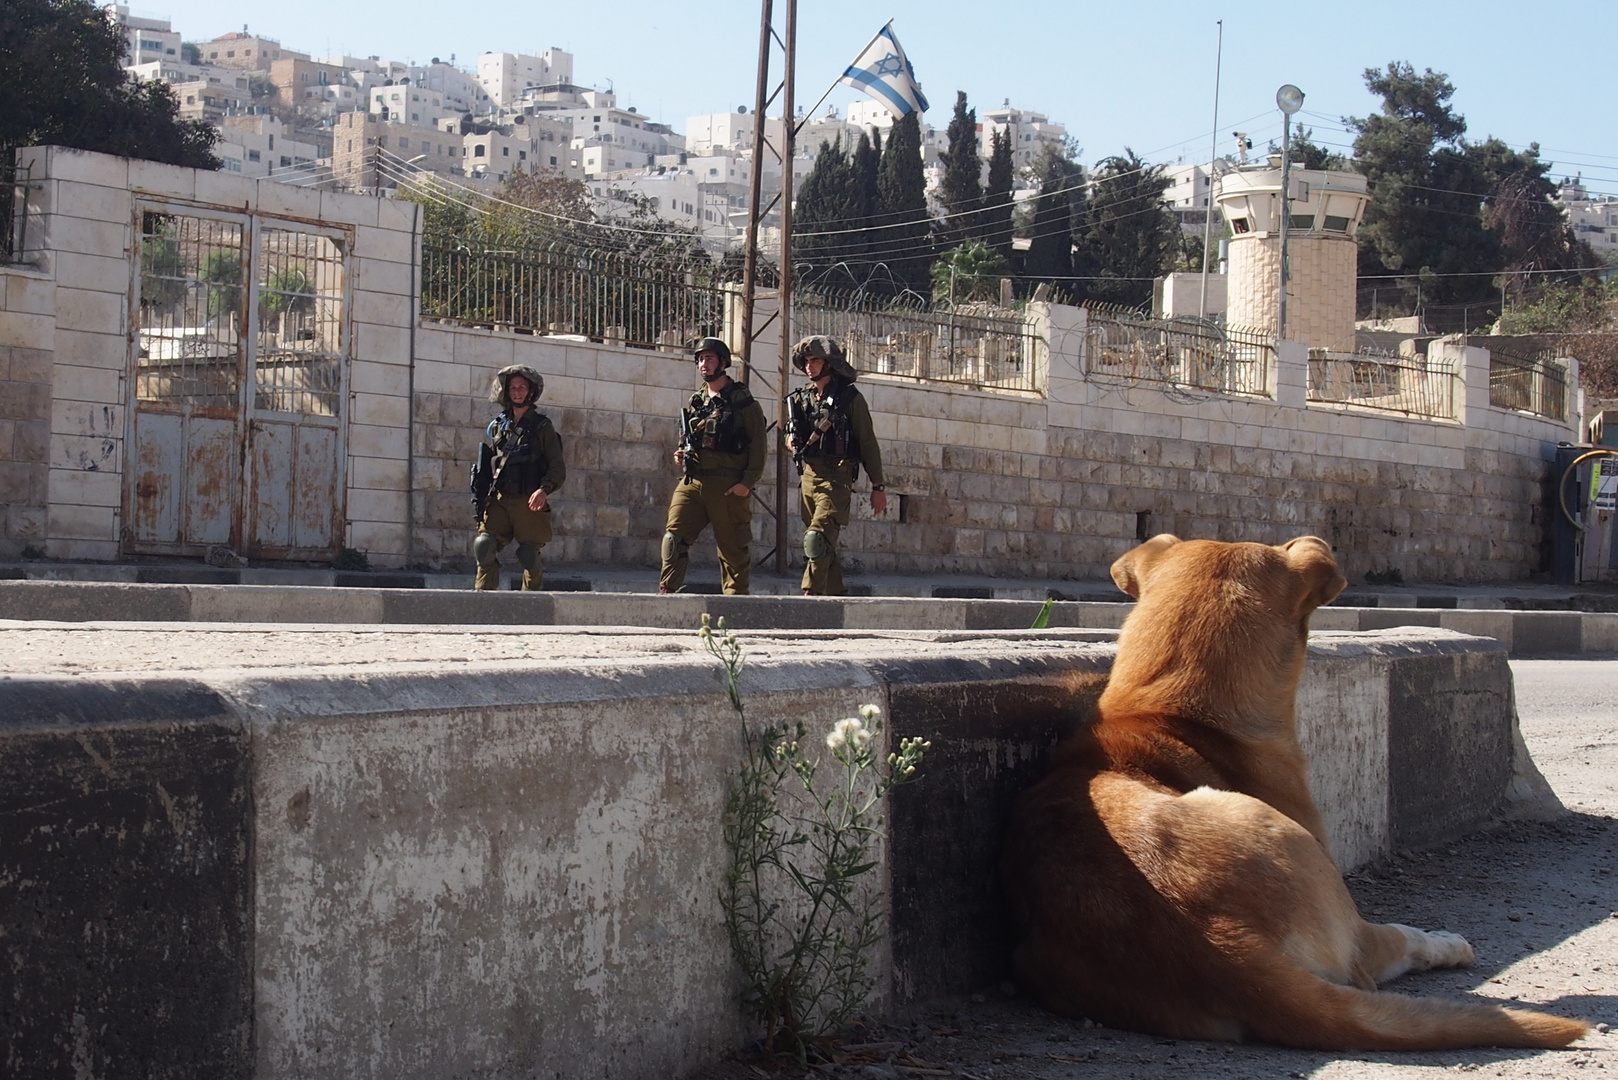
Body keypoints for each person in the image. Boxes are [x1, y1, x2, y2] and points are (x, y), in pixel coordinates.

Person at [660, 337, 766, 595]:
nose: (703, 364)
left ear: (723, 363)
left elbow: (759, 447)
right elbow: (688, 442)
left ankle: (735, 603)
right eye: (699, 359)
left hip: (727, 484)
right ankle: (667, 592)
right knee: (673, 539)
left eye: (709, 358)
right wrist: (680, 455)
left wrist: (746, 483)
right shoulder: (697, 402)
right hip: (694, 481)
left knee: (732, 549)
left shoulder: (743, 403)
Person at [785, 335, 887, 596]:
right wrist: (790, 440)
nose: (810, 366)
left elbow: (867, 442)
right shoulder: (802, 399)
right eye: (807, 361)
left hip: (836, 479)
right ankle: (836, 594)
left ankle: (811, 596)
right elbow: (790, 433)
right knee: (823, 543)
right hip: (809, 477)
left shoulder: (850, 399)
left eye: (816, 360)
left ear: (829, 364)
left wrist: (878, 485)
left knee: (816, 538)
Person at [470, 364, 565, 590]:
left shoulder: (543, 427)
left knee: (528, 554)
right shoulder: (498, 427)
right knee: (484, 547)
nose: (517, 391)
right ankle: (483, 601)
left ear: (531, 391)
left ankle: (531, 601)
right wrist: (482, 495)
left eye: (522, 387)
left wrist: (545, 489)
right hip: (500, 499)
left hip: (528, 500)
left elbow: (557, 465)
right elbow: (488, 465)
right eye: (512, 387)